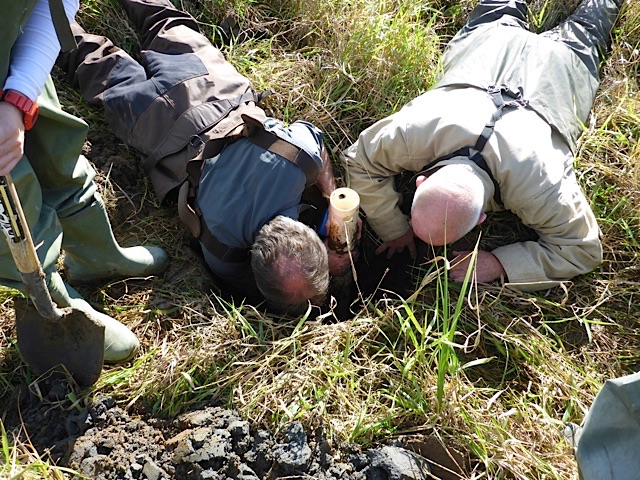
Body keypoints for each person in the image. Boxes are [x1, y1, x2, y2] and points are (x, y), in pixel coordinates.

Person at [58, 0, 349, 312]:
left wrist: (332, 197)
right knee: (84, 56)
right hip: (152, 122)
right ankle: (43, 16)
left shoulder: (297, 161)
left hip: (208, 86)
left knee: (162, 19)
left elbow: (317, 146)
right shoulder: (223, 253)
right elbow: (255, 290)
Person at [341, 0, 623, 292]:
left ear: (480, 220)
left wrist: (500, 264)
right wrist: (394, 229)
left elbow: (584, 249)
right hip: (496, 44)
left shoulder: (540, 187)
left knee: (591, 23)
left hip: (556, 63)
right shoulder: (415, 132)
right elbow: (359, 159)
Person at [0, 0, 168, 364]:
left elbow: (54, 5)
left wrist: (20, 93)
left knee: (53, 149)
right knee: (14, 200)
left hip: (12, 46)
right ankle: (48, 296)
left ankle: (95, 254)